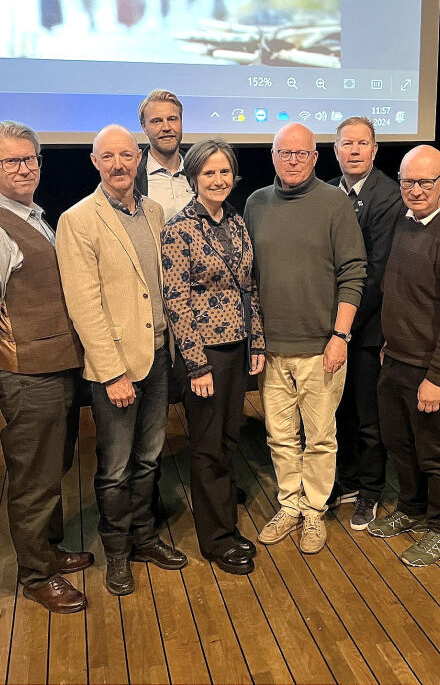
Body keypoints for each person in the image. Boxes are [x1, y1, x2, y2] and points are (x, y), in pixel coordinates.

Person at [0, 121, 91, 615]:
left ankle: (49, 550)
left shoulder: (34, 216)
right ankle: (38, 574)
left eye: (30, 158)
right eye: (11, 161)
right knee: (33, 477)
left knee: (52, 466)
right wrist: (6, 365)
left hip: (56, 367)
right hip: (27, 374)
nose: (24, 168)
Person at [56, 124, 188, 598]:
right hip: (116, 367)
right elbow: (84, 304)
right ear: (95, 162)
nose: (118, 165)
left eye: (126, 156)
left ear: (139, 158)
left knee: (150, 457)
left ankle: (145, 538)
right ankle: (117, 554)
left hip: (157, 357)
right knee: (114, 465)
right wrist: (112, 372)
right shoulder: (78, 219)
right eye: (107, 157)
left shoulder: (153, 211)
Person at [244, 122, 366, 554]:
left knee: (319, 437)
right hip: (271, 349)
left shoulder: (335, 203)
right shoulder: (255, 203)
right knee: (278, 436)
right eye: (284, 153)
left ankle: (314, 511)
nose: (292, 160)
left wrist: (340, 335)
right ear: (272, 156)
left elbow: (354, 272)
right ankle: (289, 504)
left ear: (315, 158)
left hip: (322, 347)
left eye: (301, 153)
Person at [366, 146, 440, 567]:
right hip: (397, 358)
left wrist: (438, 376)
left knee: (437, 453)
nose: (415, 190)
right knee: (400, 444)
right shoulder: (406, 218)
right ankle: (413, 508)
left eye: (424, 182)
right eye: (407, 182)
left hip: (435, 370)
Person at [161, 139, 266, 575]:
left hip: (238, 349)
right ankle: (218, 538)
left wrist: (256, 342)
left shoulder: (238, 223)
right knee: (206, 447)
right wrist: (196, 363)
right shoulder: (179, 229)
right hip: (203, 355)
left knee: (228, 440)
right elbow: (176, 300)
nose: (219, 180)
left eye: (225, 172)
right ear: (193, 178)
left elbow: (250, 288)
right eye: (209, 173)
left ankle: (225, 518)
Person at [327, 116, 404, 529]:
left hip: (368, 328)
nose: (354, 150)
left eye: (362, 143)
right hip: (333, 326)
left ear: (374, 151)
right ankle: (347, 480)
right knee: (339, 413)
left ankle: (371, 491)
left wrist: (347, 321)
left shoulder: (389, 196)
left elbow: (375, 271)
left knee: (368, 417)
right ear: (335, 150)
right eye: (346, 144)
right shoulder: (325, 193)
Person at [135, 90, 193, 223]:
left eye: (172, 119)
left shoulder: (199, 171)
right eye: (157, 121)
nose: (166, 127)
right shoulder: (132, 178)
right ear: (144, 127)